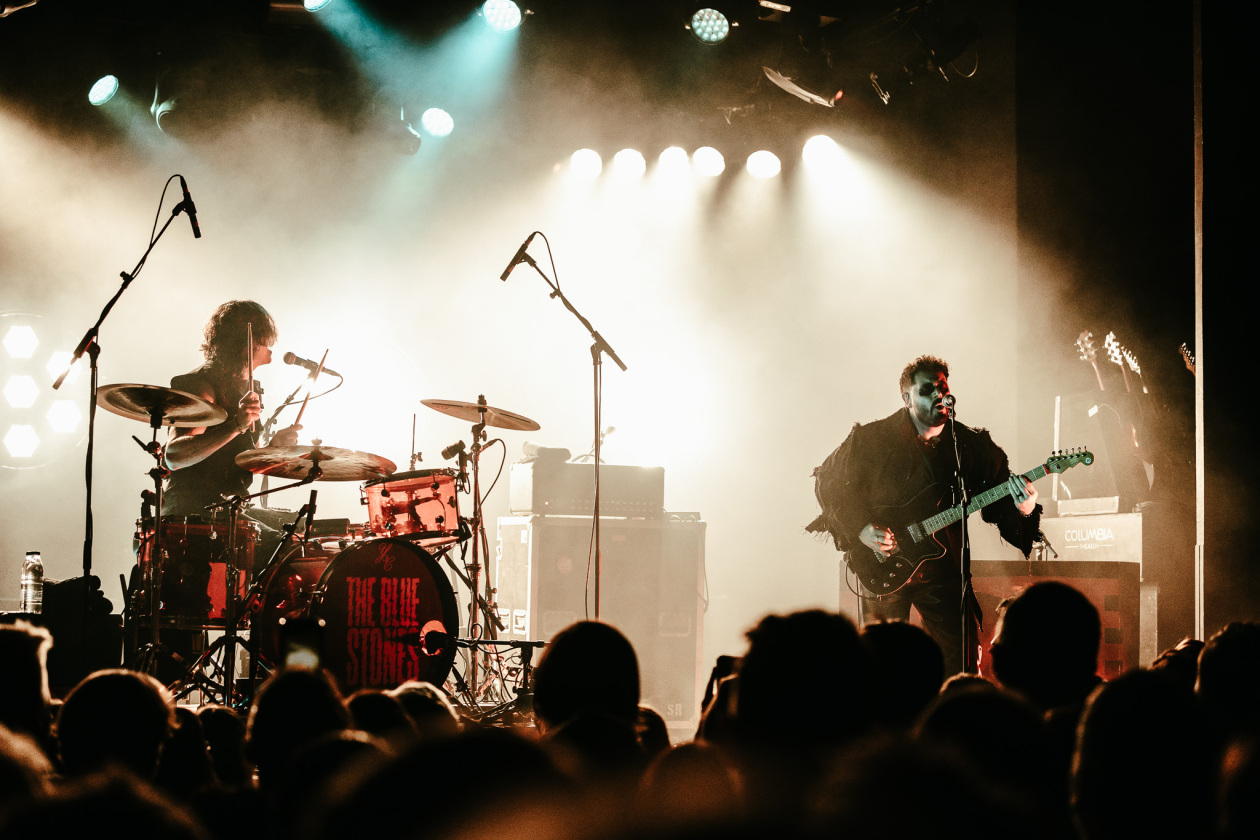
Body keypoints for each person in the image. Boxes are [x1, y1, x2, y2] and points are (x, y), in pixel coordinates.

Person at [807, 355, 1041, 674]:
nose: (937, 395)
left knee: (962, 658)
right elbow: (827, 481)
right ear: (907, 398)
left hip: (942, 567)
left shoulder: (968, 447)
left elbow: (999, 502)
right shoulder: (871, 440)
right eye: (927, 389)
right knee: (881, 662)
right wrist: (861, 529)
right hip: (883, 563)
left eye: (942, 387)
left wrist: (1024, 508)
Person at [163, 300, 301, 516]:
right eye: (264, 338)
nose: (270, 344)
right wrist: (236, 425)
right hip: (195, 512)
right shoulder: (203, 384)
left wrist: (274, 447)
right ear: (245, 344)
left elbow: (244, 460)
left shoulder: (246, 388)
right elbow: (175, 456)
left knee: (302, 526)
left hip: (232, 507)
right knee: (288, 541)